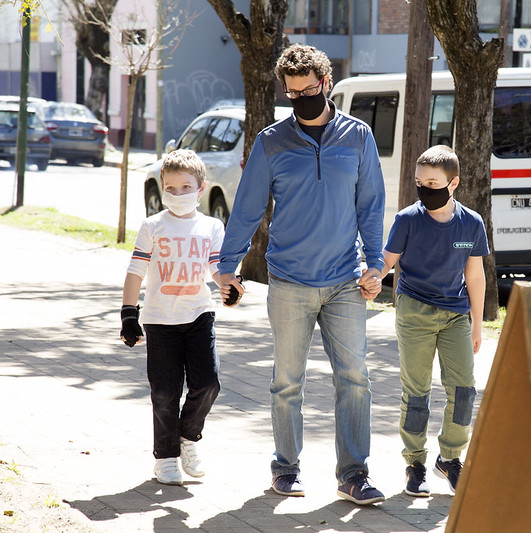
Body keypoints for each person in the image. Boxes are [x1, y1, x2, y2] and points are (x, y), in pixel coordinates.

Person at [217, 44, 386, 505]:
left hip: (346, 280)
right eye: (291, 93)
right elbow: (248, 208)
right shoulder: (271, 141)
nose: (300, 98)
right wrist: (226, 267)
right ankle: (285, 469)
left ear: (326, 83)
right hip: (289, 280)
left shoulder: (358, 136)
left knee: (354, 379)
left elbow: (370, 206)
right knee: (287, 381)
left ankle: (353, 474)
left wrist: (376, 264)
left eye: (308, 89)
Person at [375, 145, 488, 497]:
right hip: (415, 310)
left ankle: (450, 458)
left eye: (433, 182)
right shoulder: (408, 219)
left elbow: (476, 276)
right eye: (419, 182)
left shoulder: (471, 222)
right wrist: (373, 277)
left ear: (453, 183)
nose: (425, 189)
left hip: (455, 314)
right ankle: (415, 464)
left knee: (464, 390)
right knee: (417, 391)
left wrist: (477, 324)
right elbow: (387, 261)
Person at [120, 149, 232, 485]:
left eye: (186, 187)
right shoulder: (153, 226)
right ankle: (166, 457)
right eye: (171, 188)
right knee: (165, 392)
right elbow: (135, 271)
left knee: (208, 383)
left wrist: (229, 285)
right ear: (162, 188)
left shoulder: (212, 226)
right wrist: (129, 314)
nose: (178, 194)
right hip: (159, 321)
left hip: (199, 315)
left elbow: (216, 268)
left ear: (201, 187)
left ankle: (188, 437)